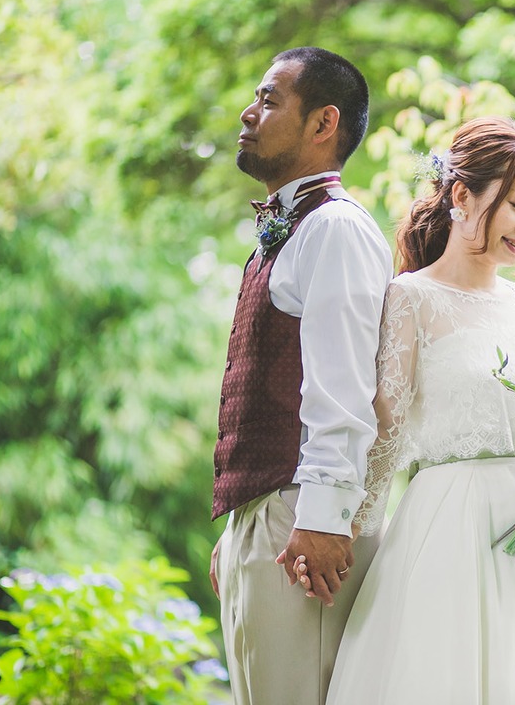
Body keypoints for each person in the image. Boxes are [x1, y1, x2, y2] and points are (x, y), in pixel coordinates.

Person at [303, 116, 515, 704]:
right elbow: (386, 428)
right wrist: (347, 527)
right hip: (448, 528)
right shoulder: (411, 298)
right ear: (461, 195)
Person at [207, 46, 393, 705]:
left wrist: (320, 521)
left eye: (269, 99)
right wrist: (237, 531)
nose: (248, 112)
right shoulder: (290, 228)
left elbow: (344, 390)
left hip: (302, 523)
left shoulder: (335, 229)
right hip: (266, 520)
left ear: (324, 124)